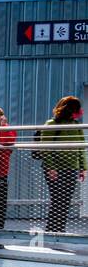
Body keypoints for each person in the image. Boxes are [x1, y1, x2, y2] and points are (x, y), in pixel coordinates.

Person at [34, 95, 87, 233]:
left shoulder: (76, 125)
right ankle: (52, 230)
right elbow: (45, 147)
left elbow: (81, 147)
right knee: (58, 198)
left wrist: (83, 167)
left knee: (65, 200)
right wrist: (51, 167)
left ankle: (59, 229)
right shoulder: (51, 124)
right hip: (55, 169)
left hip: (72, 168)